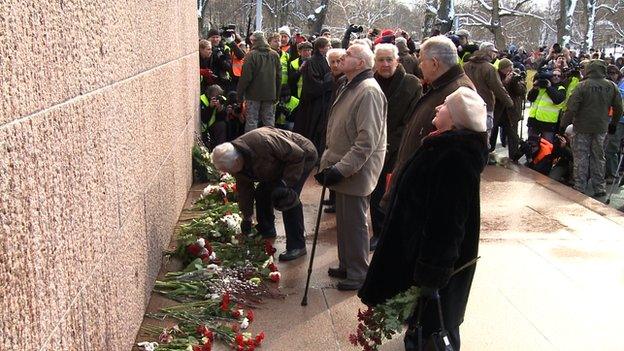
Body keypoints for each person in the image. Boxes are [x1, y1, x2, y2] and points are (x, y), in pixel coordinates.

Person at [359, 87, 488, 351]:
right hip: (416, 247)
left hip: (429, 255)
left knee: (436, 321)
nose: (438, 108)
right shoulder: (443, 144)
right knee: (423, 317)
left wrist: (433, 271)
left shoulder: (454, 156)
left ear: (454, 118)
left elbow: (447, 221)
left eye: (444, 106)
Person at [316, 43, 387, 291]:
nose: (342, 57)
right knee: (344, 220)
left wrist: (341, 169)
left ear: (360, 63)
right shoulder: (351, 84)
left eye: (348, 55)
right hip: (343, 165)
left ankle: (358, 272)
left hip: (355, 169)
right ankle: (347, 265)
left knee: (355, 222)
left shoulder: (368, 91)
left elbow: (366, 141)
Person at [382, 35, 474, 208]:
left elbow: (460, 154)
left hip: (423, 196)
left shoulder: (459, 91)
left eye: (422, 61)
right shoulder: (442, 87)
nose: (419, 65)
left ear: (435, 63)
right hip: (414, 188)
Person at [211, 127, 317, 261]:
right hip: (276, 166)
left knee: (286, 197)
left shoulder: (263, 142)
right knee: (262, 192)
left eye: (229, 170)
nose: (229, 173)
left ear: (237, 161)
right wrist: (247, 217)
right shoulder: (235, 159)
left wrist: (284, 183)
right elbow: (245, 190)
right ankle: (266, 229)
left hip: (302, 157)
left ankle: (297, 245)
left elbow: (297, 155)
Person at [369, 43, 423, 251]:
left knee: (394, 192)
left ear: (397, 61)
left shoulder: (412, 84)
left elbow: (410, 121)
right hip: (372, 146)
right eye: (381, 60)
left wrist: (389, 143)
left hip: (397, 147)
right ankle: (379, 231)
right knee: (375, 193)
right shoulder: (370, 82)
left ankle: (393, 234)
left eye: (389, 59)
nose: (385, 64)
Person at [561, 59, 623, 198]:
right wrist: (613, 124)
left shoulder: (582, 86)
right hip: (601, 127)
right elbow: (619, 107)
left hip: (582, 127)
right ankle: (599, 187)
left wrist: (563, 125)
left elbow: (571, 108)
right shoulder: (611, 86)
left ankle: (580, 186)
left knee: (581, 157)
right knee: (599, 157)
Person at [463, 42, 513, 153]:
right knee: (483, 135)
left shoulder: (466, 66)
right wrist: (509, 102)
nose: (495, 54)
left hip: (466, 104)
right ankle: (481, 160)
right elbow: (498, 88)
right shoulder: (489, 68)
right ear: (489, 52)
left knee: (467, 133)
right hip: (484, 106)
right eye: (494, 52)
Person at [293, 37, 332, 155]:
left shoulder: (323, 60)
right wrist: (328, 83)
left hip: (320, 101)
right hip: (312, 103)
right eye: (328, 45)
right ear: (321, 47)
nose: (329, 47)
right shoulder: (312, 62)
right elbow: (313, 84)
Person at [237, 31, 281, 132]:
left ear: (254, 41)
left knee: (252, 121)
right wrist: (276, 95)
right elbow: (279, 77)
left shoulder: (251, 55)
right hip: (270, 94)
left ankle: (250, 145)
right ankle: (270, 144)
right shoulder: (274, 55)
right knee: (269, 122)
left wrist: (240, 95)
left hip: (253, 95)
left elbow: (245, 78)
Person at [492, 58, 527, 160]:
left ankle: (514, 157)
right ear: (503, 68)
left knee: (513, 135)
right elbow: (495, 91)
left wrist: (515, 82)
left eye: (511, 66)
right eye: (509, 67)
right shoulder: (495, 76)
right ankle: (489, 153)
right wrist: (505, 82)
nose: (511, 69)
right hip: (497, 109)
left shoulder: (516, 76)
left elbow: (522, 91)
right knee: (492, 133)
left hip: (511, 111)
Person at [526, 69, 567, 143]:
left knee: (546, 148)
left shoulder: (561, 88)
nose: (556, 77)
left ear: (561, 78)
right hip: (534, 122)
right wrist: (535, 88)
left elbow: (557, 100)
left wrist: (549, 87)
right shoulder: (541, 87)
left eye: (559, 76)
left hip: (548, 124)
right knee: (531, 146)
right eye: (554, 75)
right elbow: (530, 99)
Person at [605, 65, 624, 184]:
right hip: (614, 119)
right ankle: (613, 172)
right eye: (609, 73)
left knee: (611, 147)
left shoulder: (620, 85)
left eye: (613, 73)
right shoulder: (613, 85)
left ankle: (613, 174)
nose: (611, 75)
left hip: (619, 120)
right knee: (612, 146)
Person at [200, 84, 228, 149]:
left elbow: (224, 118)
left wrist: (220, 109)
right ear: (209, 95)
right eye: (213, 96)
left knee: (222, 125)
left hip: (215, 125)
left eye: (217, 96)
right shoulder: (202, 99)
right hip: (205, 127)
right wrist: (210, 107)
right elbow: (204, 119)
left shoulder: (222, 100)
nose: (215, 98)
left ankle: (221, 149)